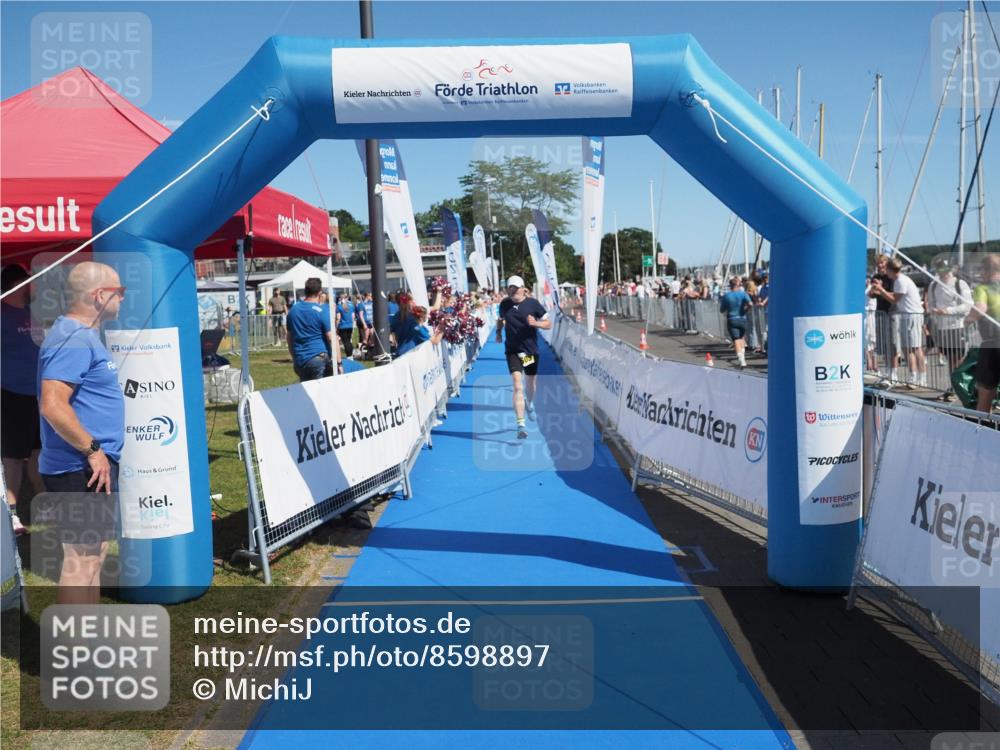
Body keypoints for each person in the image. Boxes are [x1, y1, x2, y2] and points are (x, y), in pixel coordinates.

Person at [37, 262, 125, 604]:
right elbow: (53, 404)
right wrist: (92, 450)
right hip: (79, 465)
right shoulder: (72, 338)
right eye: (120, 292)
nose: (122, 299)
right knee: (81, 559)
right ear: (99, 295)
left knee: (95, 555)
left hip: (90, 465)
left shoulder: (81, 336)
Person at [1, 265, 43, 535]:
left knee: (40, 454)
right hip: (9, 395)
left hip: (37, 395)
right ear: (19, 284)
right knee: (13, 459)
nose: (35, 287)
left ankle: (52, 506)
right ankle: (12, 516)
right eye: (31, 282)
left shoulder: (30, 313)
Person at [496, 275, 550, 440]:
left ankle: (530, 403)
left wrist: (537, 324)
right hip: (513, 351)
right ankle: (521, 424)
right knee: (518, 386)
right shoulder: (505, 304)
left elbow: (548, 324)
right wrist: (498, 332)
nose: (512, 291)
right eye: (509, 288)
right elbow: (501, 319)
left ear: (522, 288)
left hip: (529, 351)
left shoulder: (533, 304)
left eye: (515, 288)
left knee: (531, 383)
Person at [872, 258, 926, 388]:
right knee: (909, 348)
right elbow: (895, 296)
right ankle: (915, 377)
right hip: (908, 316)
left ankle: (920, 378)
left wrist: (881, 290)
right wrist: (881, 291)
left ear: (890, 270)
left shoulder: (900, 281)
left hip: (911, 316)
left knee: (914, 348)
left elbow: (894, 299)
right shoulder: (901, 280)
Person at [926, 258, 973, 398]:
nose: (943, 272)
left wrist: (948, 310)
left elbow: (968, 305)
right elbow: (930, 305)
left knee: (959, 360)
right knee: (950, 360)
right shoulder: (933, 285)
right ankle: (953, 388)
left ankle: (960, 388)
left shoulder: (959, 283)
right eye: (940, 269)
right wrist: (934, 312)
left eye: (945, 269)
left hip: (957, 326)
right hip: (942, 328)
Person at [287, 278, 342, 381]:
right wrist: (339, 363)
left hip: (300, 360)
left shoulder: (293, 310)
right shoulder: (322, 311)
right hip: (318, 359)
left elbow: (289, 338)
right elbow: (332, 338)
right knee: (321, 394)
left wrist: (294, 357)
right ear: (320, 292)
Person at [965, 254, 1000, 414]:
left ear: (987, 270)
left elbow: (981, 307)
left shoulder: (983, 288)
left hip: (992, 344)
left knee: (985, 392)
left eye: (982, 269)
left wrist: (967, 320)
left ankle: (981, 426)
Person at [869, 254, 895, 379]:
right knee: (883, 344)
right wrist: (873, 289)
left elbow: (893, 296)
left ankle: (892, 373)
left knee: (892, 344)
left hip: (891, 312)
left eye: (882, 263)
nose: (880, 265)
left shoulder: (891, 278)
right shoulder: (876, 277)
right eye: (878, 263)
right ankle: (886, 372)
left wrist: (880, 288)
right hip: (879, 312)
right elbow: (872, 295)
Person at [719, 276, 752, 368]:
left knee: (736, 339)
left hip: (732, 319)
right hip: (742, 318)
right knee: (741, 337)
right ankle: (743, 357)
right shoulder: (743, 294)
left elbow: (722, 310)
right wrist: (745, 310)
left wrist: (728, 309)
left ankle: (742, 360)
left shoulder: (727, 296)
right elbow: (750, 304)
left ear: (730, 285)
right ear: (738, 285)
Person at [334, 293, 356, 359]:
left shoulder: (339, 306)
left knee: (346, 342)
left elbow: (338, 318)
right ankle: (351, 355)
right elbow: (353, 317)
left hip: (342, 326)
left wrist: (336, 327)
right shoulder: (351, 305)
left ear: (340, 298)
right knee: (348, 341)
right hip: (350, 326)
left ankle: (349, 356)